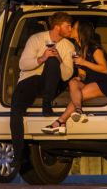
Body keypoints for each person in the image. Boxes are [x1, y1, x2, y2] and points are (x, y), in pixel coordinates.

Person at [10, 11, 75, 166]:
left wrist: (58, 59)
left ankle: (47, 104)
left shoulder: (68, 46)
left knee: (53, 62)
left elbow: (67, 76)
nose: (71, 29)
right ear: (57, 27)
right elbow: (23, 65)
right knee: (16, 109)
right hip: (31, 81)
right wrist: (42, 58)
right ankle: (18, 156)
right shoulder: (36, 39)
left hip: (53, 84)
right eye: (68, 25)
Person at [41, 21, 107, 134]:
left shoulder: (95, 49)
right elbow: (82, 73)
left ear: (81, 32)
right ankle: (78, 111)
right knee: (73, 82)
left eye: (74, 28)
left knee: (79, 94)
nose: (71, 29)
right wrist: (79, 77)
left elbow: (105, 69)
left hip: (103, 82)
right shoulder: (78, 50)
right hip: (90, 81)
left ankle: (60, 122)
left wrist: (83, 62)